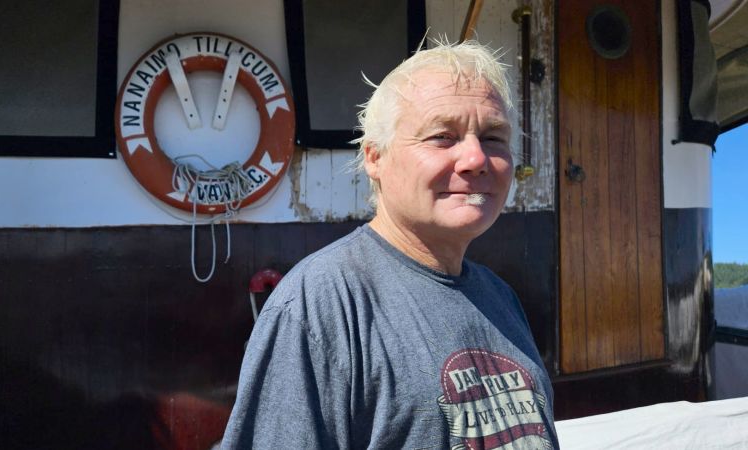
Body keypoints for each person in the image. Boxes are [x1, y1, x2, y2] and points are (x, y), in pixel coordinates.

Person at [221, 40, 558, 449]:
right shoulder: (320, 306)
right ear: (374, 158)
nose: (476, 159)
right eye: (442, 136)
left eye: (493, 137)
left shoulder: (500, 297)